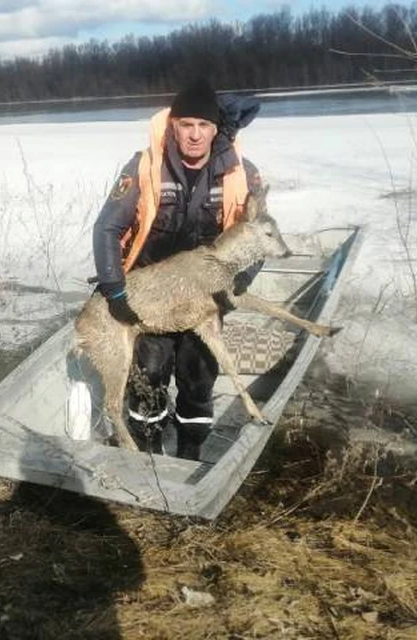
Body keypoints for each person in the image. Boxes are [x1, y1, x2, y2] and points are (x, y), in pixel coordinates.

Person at [91, 77, 262, 461]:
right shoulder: (145, 165)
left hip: (205, 294)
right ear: (174, 126)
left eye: (204, 126)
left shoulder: (242, 173)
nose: (196, 135)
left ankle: (188, 456)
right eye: (187, 125)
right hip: (150, 293)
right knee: (149, 370)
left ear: (217, 129)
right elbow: (106, 228)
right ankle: (148, 454)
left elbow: (260, 238)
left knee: (199, 374)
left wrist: (237, 286)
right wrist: (115, 290)